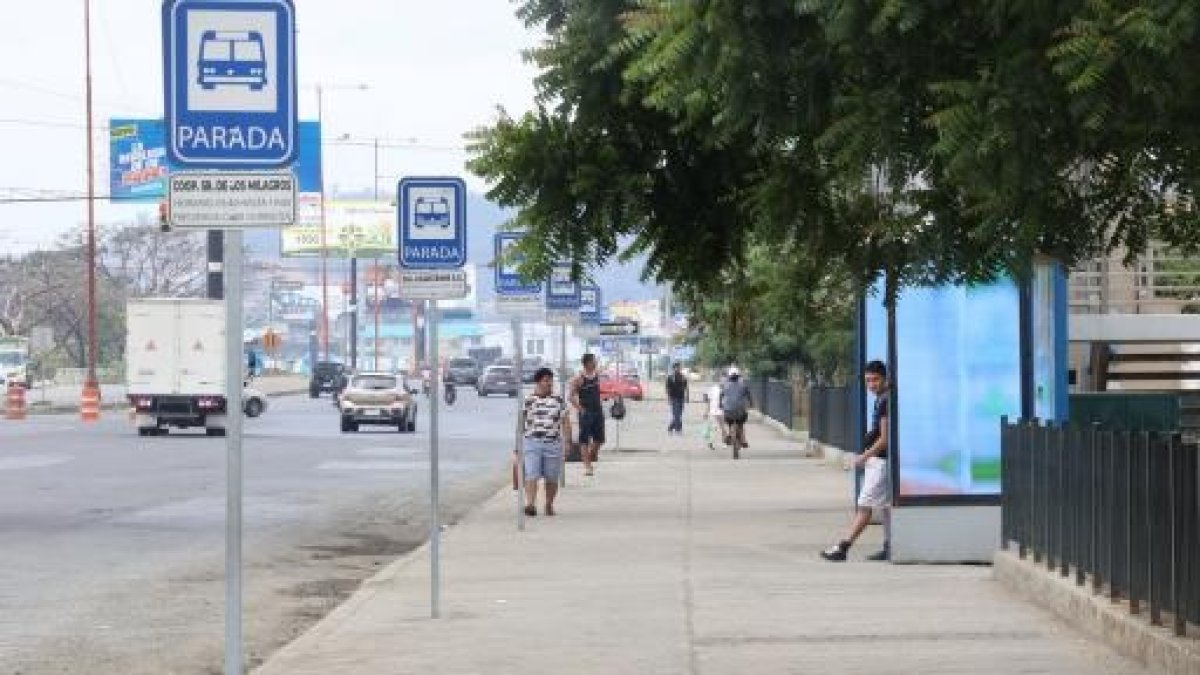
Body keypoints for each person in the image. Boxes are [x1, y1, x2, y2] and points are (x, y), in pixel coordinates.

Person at [821, 360, 892, 562]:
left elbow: (885, 438)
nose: (871, 385)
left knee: (864, 506)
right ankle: (890, 545)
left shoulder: (886, 400)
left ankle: (843, 547)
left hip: (880, 461)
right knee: (886, 505)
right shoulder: (881, 399)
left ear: (885, 378)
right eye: (868, 381)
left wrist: (864, 457)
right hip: (879, 460)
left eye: (875, 380)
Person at [521, 367, 572, 516]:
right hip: (532, 442)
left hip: (553, 443)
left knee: (551, 477)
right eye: (546, 380)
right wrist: (517, 446)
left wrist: (568, 442)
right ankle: (530, 504)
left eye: (551, 380)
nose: (549, 383)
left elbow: (565, 421)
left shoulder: (558, 400)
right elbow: (521, 422)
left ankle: (549, 504)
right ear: (538, 382)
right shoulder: (528, 400)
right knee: (531, 475)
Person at [569, 353, 605, 477]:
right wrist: (580, 409)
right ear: (588, 363)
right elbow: (571, 396)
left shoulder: (597, 375)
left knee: (599, 439)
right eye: (594, 361)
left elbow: (598, 390)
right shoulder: (578, 378)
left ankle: (590, 456)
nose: (596, 363)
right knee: (584, 440)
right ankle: (587, 466)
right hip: (586, 411)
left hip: (598, 410)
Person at [719, 366, 753, 456]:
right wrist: (751, 404)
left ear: (729, 376)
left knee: (727, 421)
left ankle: (729, 435)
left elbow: (721, 396)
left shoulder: (725, 385)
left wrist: (720, 404)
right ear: (738, 376)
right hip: (740, 411)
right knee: (741, 423)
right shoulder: (743, 385)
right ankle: (743, 439)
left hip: (728, 411)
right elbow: (749, 397)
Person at [704, 375, 729, 450]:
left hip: (722, 411)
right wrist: (706, 412)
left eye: (725, 381)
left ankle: (724, 442)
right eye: (722, 381)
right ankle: (710, 442)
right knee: (712, 428)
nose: (723, 382)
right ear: (719, 381)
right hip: (713, 411)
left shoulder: (727, 390)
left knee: (723, 428)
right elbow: (709, 401)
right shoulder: (713, 389)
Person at [665, 362, 689, 435]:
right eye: (676, 367)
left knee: (679, 414)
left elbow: (686, 387)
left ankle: (670, 427)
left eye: (679, 368)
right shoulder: (670, 377)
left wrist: (687, 396)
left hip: (681, 398)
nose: (678, 369)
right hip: (673, 398)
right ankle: (678, 429)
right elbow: (667, 389)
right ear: (673, 368)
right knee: (676, 414)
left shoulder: (683, 377)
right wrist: (669, 398)